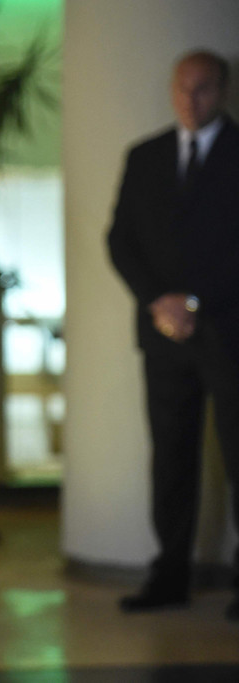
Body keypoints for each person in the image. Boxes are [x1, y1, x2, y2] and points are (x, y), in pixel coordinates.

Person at [108, 50, 239, 620]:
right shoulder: (146, 155)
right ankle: (169, 576)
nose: (190, 99)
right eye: (182, 87)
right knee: (170, 457)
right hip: (162, 334)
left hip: (229, 332)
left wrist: (194, 301)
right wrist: (158, 300)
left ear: (223, 91)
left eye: (203, 88)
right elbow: (120, 239)